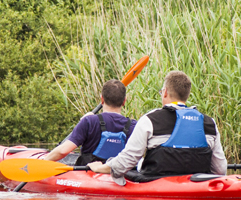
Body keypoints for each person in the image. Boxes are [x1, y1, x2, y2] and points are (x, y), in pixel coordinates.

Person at [87, 70, 227, 185]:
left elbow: (126, 160)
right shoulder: (209, 123)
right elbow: (220, 170)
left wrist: (101, 168)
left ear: (165, 92)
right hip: (198, 187)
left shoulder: (150, 120)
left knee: (138, 166)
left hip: (156, 190)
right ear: (187, 94)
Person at [41, 79, 136, 166]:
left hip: (88, 174)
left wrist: (42, 162)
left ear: (102, 99)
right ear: (124, 101)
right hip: (119, 176)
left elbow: (63, 151)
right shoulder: (133, 126)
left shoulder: (89, 121)